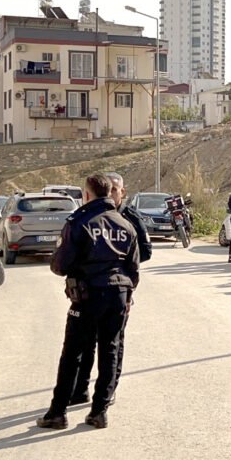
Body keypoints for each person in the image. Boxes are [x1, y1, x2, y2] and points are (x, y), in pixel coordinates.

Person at [38, 174, 140, 430]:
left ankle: (58, 413)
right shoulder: (125, 224)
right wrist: (128, 296)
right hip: (118, 295)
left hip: (88, 294)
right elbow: (134, 268)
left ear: (86, 194)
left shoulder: (79, 221)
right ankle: (99, 411)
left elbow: (60, 265)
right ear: (110, 193)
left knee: (72, 353)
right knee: (110, 350)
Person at [71, 172, 151, 405]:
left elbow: (144, 251)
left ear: (122, 193)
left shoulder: (129, 217)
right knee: (86, 342)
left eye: (116, 190)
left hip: (119, 290)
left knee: (113, 344)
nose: (112, 193)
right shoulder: (90, 215)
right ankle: (80, 389)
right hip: (90, 290)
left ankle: (108, 390)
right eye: (110, 189)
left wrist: (117, 261)